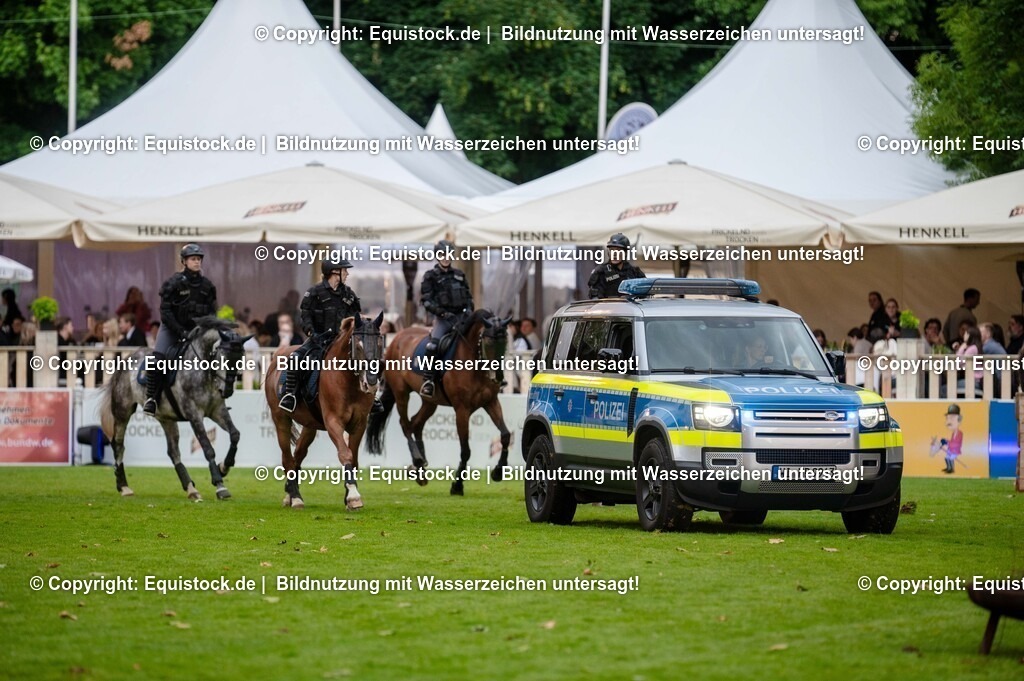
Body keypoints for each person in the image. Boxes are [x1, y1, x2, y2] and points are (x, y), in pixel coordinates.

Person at [278, 258, 361, 413]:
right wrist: (310, 331)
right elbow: (305, 315)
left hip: (342, 341)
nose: (347, 273)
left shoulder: (349, 294)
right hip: (318, 340)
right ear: (334, 272)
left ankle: (371, 395)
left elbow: (356, 317)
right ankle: (289, 395)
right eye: (345, 270)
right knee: (295, 358)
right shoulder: (314, 292)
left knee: (367, 358)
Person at [145, 244, 217, 414]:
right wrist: (181, 332)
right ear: (184, 261)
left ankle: (215, 397)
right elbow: (166, 313)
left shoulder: (207, 286)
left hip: (196, 332)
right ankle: (151, 399)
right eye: (193, 259)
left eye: (199, 259)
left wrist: (203, 331)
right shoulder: (173, 283)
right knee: (157, 361)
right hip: (171, 329)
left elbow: (212, 313)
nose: (197, 262)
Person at [419, 239, 473, 398]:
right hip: (443, 319)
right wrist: (442, 313)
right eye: (442, 254)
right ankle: (428, 380)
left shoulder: (459, 275)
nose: (446, 257)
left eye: (448, 254)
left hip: (462, 317)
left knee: (478, 339)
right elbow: (426, 300)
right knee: (432, 346)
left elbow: (468, 296)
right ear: (437, 255)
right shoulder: (430, 276)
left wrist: (469, 309)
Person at [587, 233, 646, 298]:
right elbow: (595, 299)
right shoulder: (601, 272)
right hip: (607, 307)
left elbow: (644, 296)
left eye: (618, 250)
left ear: (625, 253)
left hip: (631, 307)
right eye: (612, 250)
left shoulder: (635, 272)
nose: (615, 254)